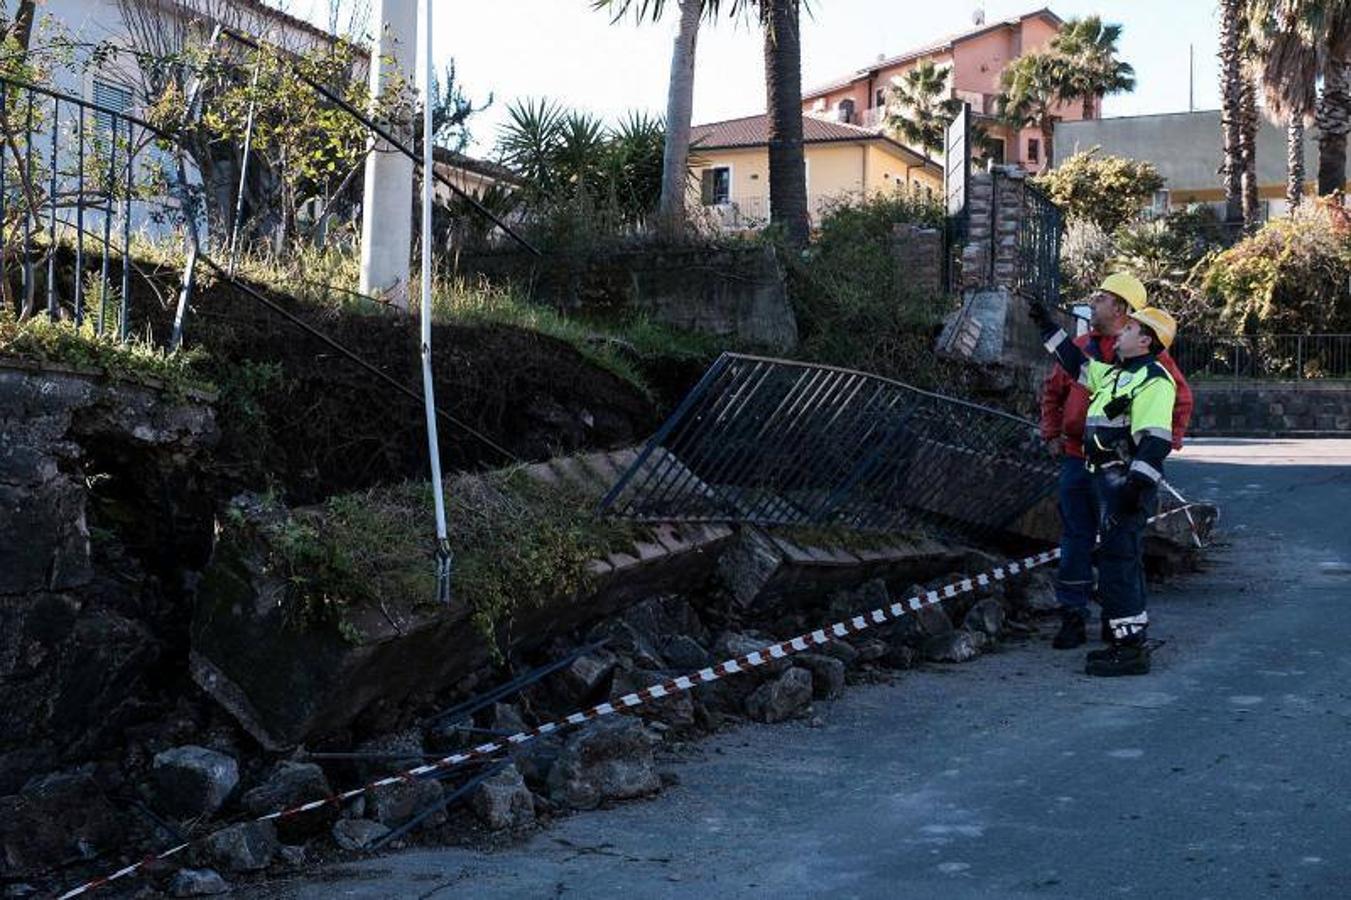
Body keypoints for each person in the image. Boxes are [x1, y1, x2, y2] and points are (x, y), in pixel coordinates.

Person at [1038, 273, 1193, 650]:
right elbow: (1071, 372)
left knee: (1120, 547)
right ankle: (1077, 616)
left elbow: (1173, 410)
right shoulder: (1102, 359)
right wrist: (1052, 433)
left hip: (1120, 474)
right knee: (1082, 539)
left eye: (1101, 297)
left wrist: (1145, 465)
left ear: (1124, 314)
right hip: (1082, 462)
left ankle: (1122, 628)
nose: (1092, 302)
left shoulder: (1151, 367)